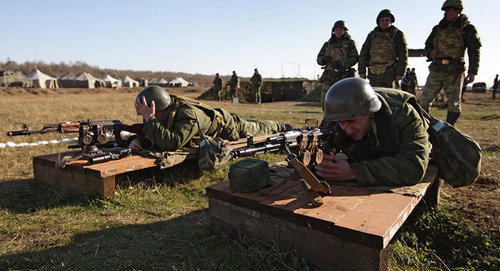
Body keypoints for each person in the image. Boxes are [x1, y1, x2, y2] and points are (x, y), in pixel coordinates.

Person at [314, 77, 430, 186]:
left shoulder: (404, 115)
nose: (348, 130)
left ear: (370, 113)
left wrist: (354, 172)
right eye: (341, 123)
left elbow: (414, 167)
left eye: (352, 121)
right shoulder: (336, 114)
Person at [129, 85, 291, 151]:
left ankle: (280, 126)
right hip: (213, 122)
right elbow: (153, 130)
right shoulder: (160, 112)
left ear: (156, 107)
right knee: (252, 124)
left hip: (226, 125)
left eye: (147, 113)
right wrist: (138, 140)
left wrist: (150, 120)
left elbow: (172, 142)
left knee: (257, 129)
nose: (145, 117)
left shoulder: (186, 114)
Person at [418, 0, 481, 126]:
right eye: (444, 10)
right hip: (437, 69)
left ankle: (447, 129)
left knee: (454, 105)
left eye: (448, 10)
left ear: (458, 11)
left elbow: (474, 50)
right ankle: (426, 127)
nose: (445, 13)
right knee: (424, 101)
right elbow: (427, 46)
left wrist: (472, 72)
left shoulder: (467, 28)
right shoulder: (438, 28)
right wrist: (430, 53)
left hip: (454, 71)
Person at [358, 9, 408, 88]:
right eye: (382, 20)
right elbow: (363, 53)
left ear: (391, 21)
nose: (384, 22)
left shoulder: (397, 34)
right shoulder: (372, 35)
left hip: (390, 74)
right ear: (379, 22)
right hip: (373, 74)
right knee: (374, 97)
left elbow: (403, 55)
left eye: (387, 20)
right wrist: (362, 71)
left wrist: (400, 73)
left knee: (390, 97)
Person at [317, 20, 359, 112]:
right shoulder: (327, 44)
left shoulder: (350, 43)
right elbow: (319, 59)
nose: (338, 31)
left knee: (342, 101)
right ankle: (327, 122)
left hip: (343, 77)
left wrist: (341, 63)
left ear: (345, 31)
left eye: (341, 29)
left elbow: (355, 58)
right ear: (333, 31)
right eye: (336, 29)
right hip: (328, 77)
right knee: (325, 102)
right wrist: (324, 59)